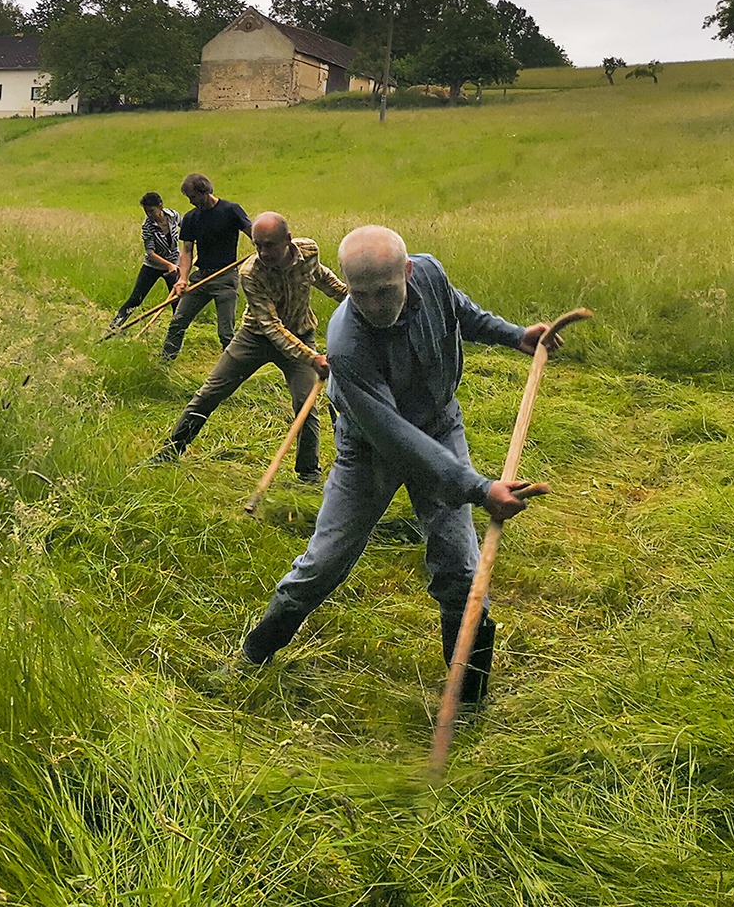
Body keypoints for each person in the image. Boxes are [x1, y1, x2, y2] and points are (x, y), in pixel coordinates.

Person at [240, 225, 563, 704]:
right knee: (324, 563)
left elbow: (458, 312)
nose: (374, 304)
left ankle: (466, 700)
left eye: (385, 290)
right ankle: (253, 656)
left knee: (460, 570)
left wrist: (515, 335)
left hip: (439, 424)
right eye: (360, 294)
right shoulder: (346, 344)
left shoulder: (430, 274)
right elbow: (397, 439)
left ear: (407, 272)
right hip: (370, 449)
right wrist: (478, 489)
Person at [153, 212, 346, 483]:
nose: (262, 252)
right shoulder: (251, 273)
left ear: (288, 240)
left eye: (269, 245)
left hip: (301, 333)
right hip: (255, 338)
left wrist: (352, 300)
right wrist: (312, 357)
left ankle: (308, 475)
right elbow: (270, 326)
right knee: (209, 393)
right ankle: (170, 451)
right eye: (257, 245)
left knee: (306, 405)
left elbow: (323, 279)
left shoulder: (309, 250)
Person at [162, 173, 252, 360]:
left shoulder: (231, 210)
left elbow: (252, 233)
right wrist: (183, 279)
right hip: (201, 277)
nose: (191, 202)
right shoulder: (191, 218)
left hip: (226, 278)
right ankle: (164, 364)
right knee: (177, 323)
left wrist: (263, 249)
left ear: (205, 192)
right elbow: (187, 251)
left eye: (193, 197)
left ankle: (234, 370)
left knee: (225, 333)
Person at [110, 192, 182, 329]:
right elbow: (150, 253)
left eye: (151, 211)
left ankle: (176, 331)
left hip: (174, 266)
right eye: (146, 211)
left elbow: (187, 231)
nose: (149, 214)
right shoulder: (147, 226)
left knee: (177, 301)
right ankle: (114, 327)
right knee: (136, 299)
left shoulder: (173, 216)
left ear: (160, 206)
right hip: (153, 266)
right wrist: (168, 265)